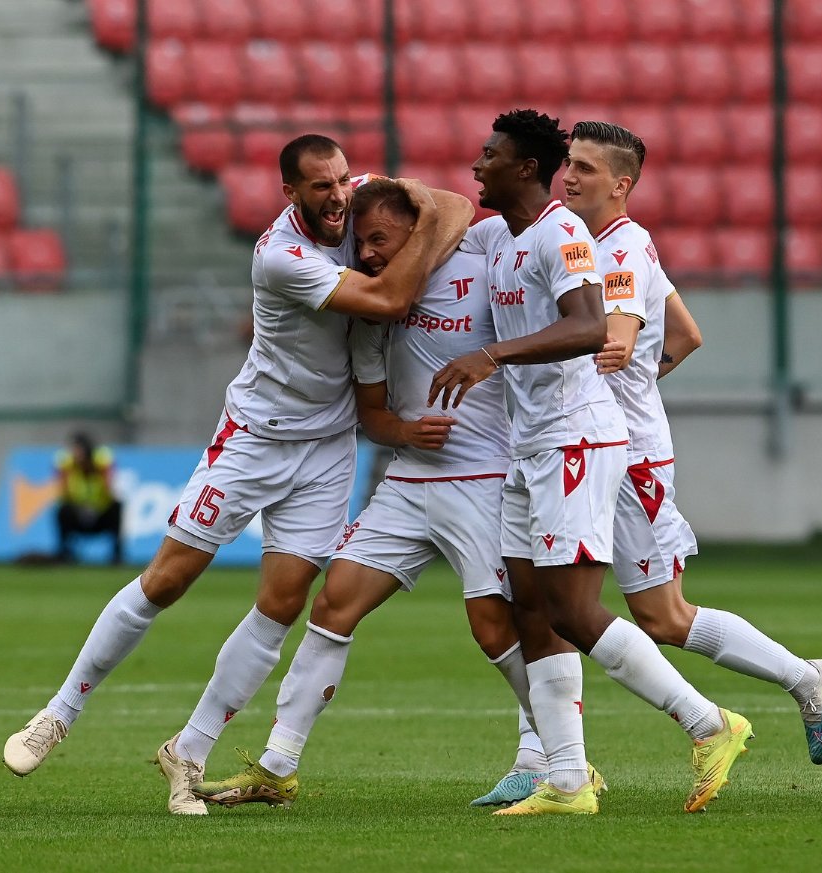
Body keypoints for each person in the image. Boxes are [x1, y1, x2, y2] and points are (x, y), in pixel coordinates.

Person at [2, 135, 474, 817]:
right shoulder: (282, 256)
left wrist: (421, 211)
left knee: (282, 604)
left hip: (328, 447)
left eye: (343, 179)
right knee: (168, 580)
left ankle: (188, 751)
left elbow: (458, 205)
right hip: (255, 437)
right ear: (291, 193)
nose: (338, 196)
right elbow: (389, 297)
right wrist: (424, 221)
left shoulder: (360, 203)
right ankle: (58, 713)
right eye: (321, 186)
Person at [189, 176, 568, 810]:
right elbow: (372, 415)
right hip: (409, 479)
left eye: (378, 239)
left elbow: (468, 219)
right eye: (360, 243)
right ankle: (279, 765)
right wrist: (406, 431)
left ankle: (560, 757)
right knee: (334, 603)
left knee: (493, 626)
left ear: (415, 230)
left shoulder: (483, 262)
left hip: (483, 476)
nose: (365, 253)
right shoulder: (372, 311)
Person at [430, 109, 751, 816]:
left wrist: (490, 355)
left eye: (490, 155)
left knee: (574, 610)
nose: (477, 165)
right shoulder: (499, 236)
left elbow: (588, 326)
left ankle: (710, 723)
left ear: (524, 168)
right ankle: (569, 781)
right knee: (530, 609)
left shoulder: (563, 234)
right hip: (529, 446)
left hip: (577, 440)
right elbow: (442, 217)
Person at [564, 120, 822, 766]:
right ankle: (554, 761)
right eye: (568, 163)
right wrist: (638, 381)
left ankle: (803, 679)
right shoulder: (607, 242)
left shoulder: (620, 251)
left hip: (626, 456)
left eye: (584, 167)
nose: (568, 176)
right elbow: (686, 334)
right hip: (600, 444)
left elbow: (621, 340)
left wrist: (612, 370)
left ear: (621, 185)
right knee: (557, 600)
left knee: (661, 615)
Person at [53, 432, 124, 565]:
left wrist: (102, 472)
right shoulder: (68, 465)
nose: (75, 454)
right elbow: (63, 494)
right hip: (78, 514)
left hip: (100, 514)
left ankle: (117, 554)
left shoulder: (102, 463)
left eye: (78, 450)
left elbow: (111, 492)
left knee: (117, 506)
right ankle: (64, 552)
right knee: (62, 510)